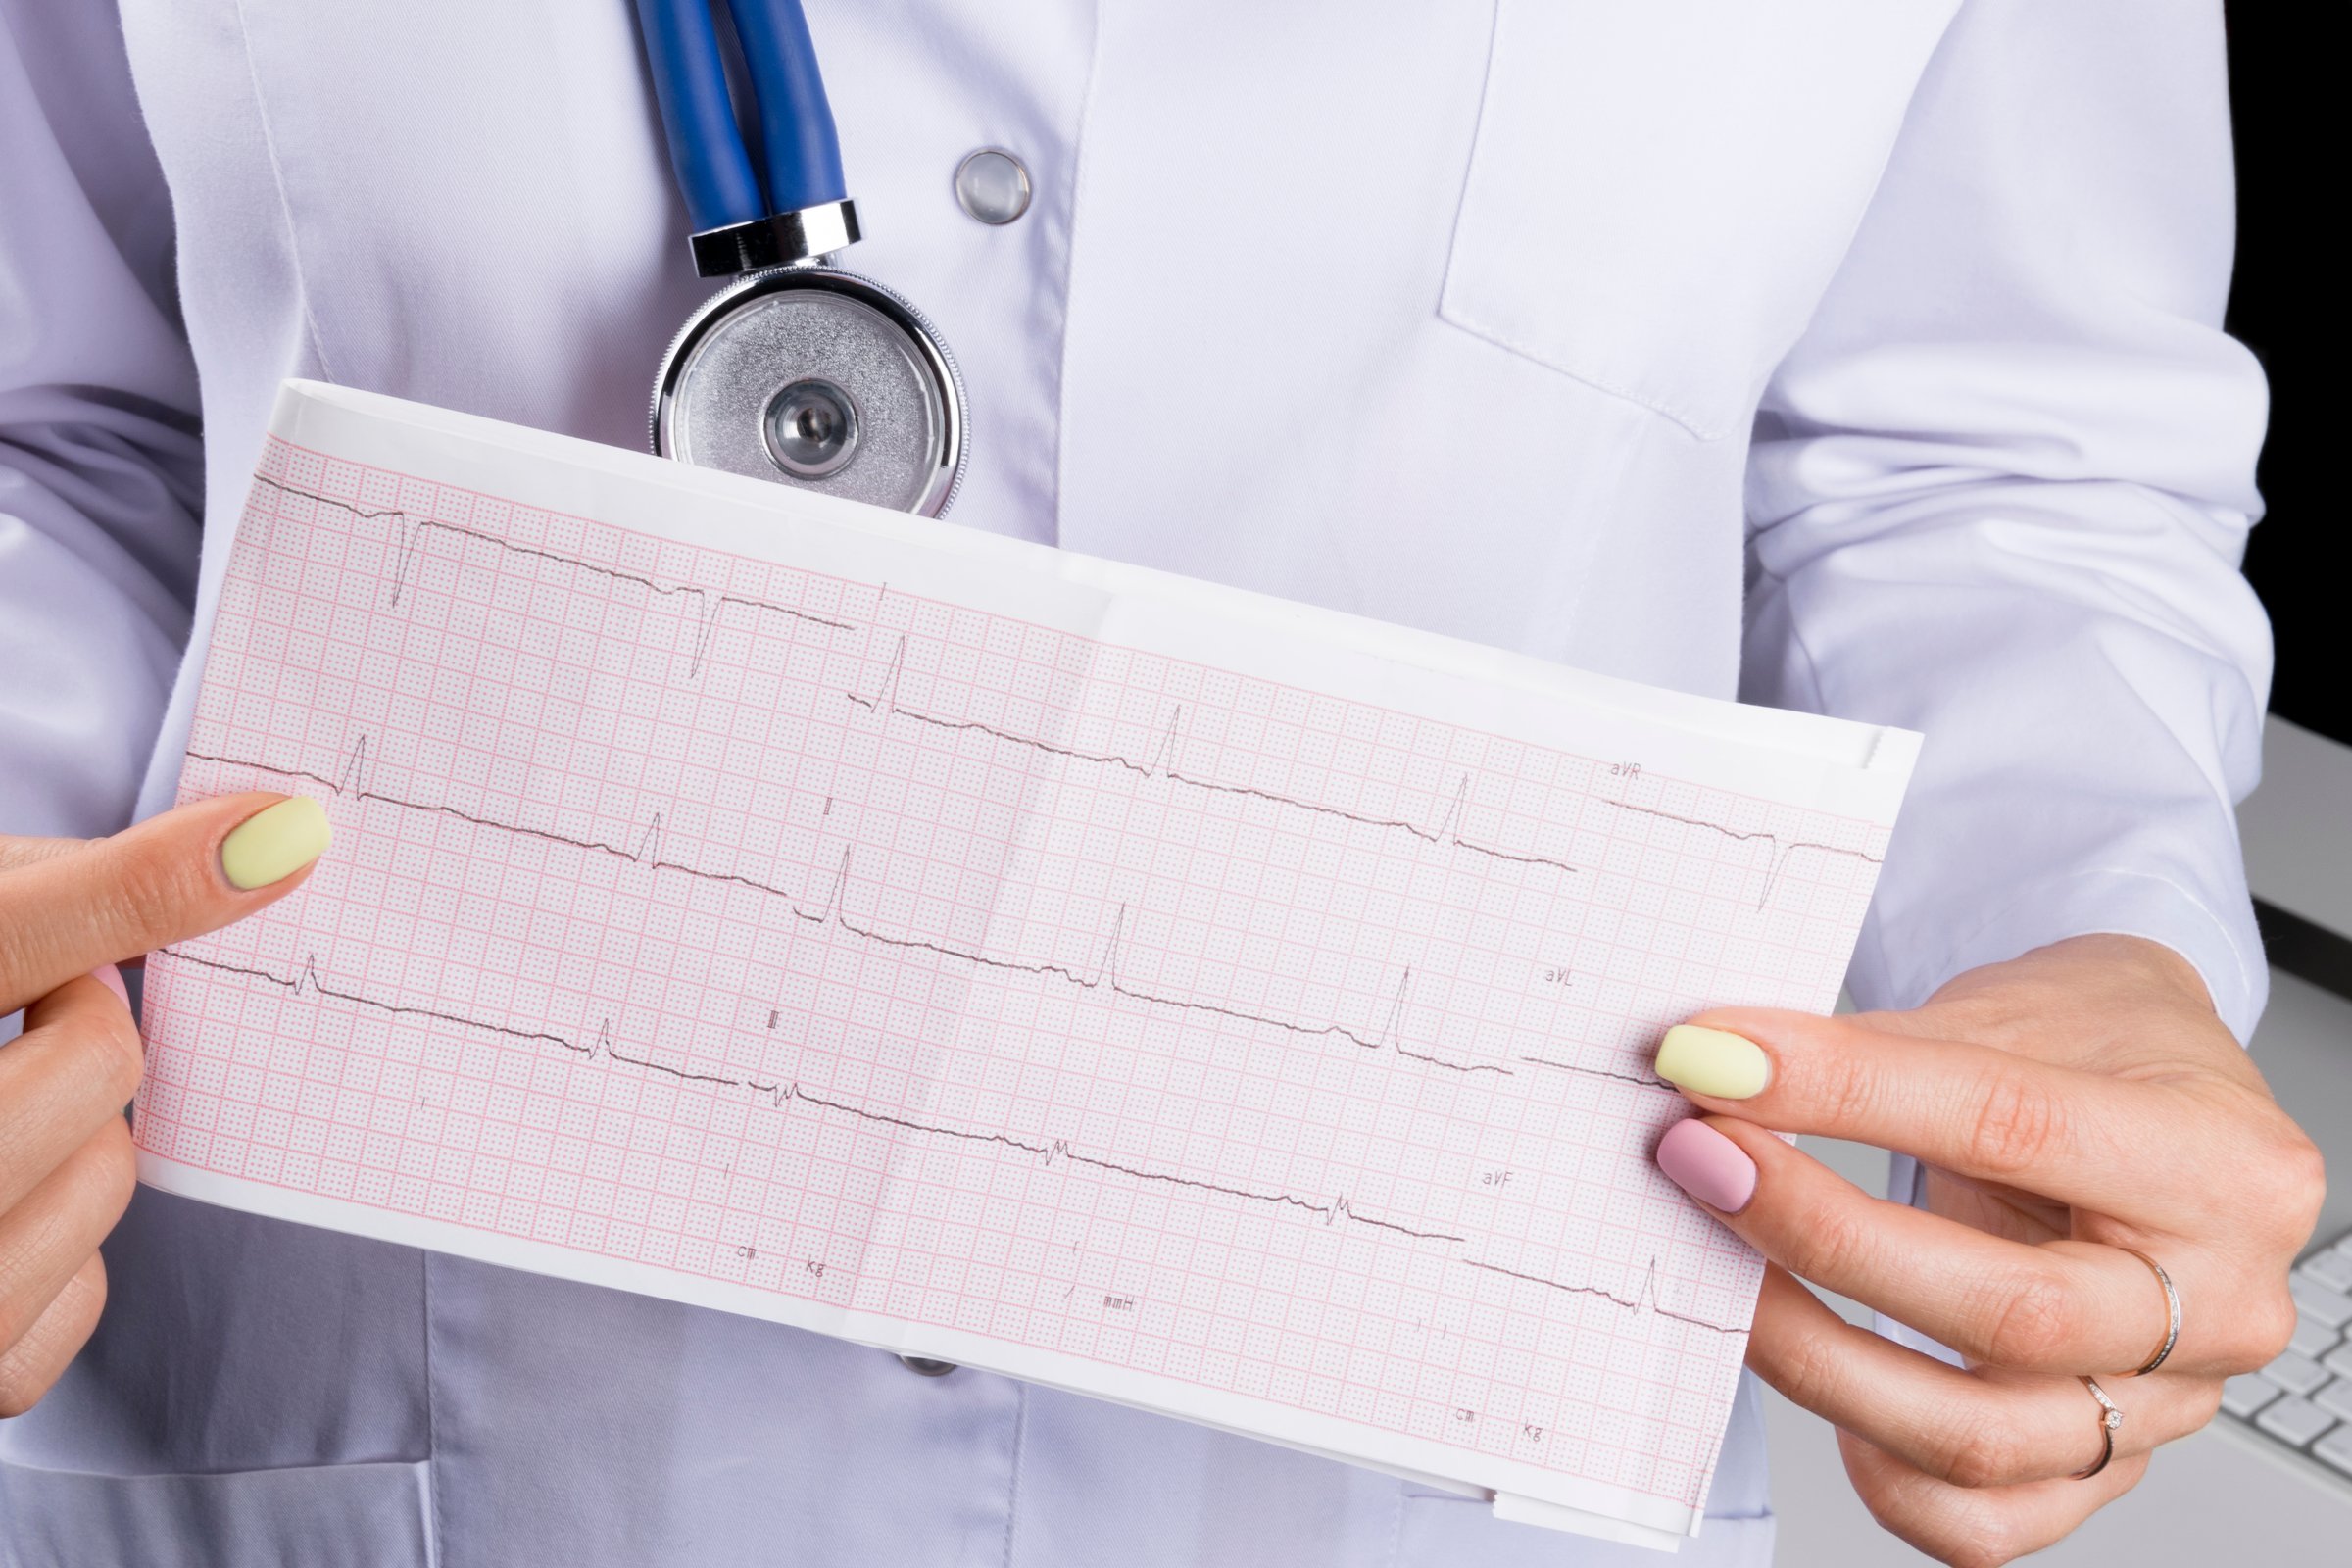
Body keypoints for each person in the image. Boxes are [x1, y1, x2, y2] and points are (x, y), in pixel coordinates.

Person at [0, 2, 2321, 1564]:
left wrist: (2084, 933)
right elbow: (63, 417)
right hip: (392, 1426)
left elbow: (1976, 460)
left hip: (1435, 1443)